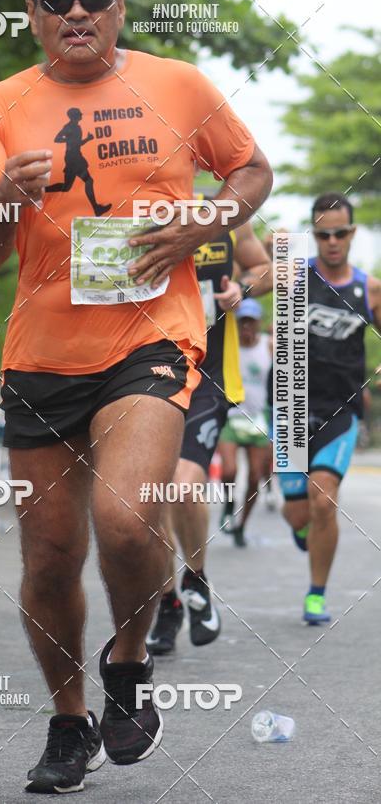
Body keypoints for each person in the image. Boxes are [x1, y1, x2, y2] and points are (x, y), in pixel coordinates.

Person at [0, 0, 272, 794]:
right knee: (49, 558)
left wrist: (206, 222)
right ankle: (70, 721)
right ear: (32, 13)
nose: (76, 13)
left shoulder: (177, 85)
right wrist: (0, 197)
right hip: (40, 354)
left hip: (153, 336)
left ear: (120, 4)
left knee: (129, 519)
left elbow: (252, 171)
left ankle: (129, 658)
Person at [147, 221, 272, 655]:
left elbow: (267, 268)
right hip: (142, 376)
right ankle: (168, 602)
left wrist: (242, 287)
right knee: (148, 498)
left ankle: (195, 578)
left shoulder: (224, 219)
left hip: (207, 381)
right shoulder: (130, 209)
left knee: (182, 486)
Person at [278, 193, 381, 625]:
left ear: (352, 233)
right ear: (314, 235)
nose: (333, 241)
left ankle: (316, 594)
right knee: (297, 510)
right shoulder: (296, 277)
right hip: (290, 406)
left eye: (340, 232)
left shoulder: (369, 288)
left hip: (340, 409)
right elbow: (250, 285)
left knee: (324, 502)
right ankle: (303, 530)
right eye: (323, 234)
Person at [218, 298, 273, 547]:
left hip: (258, 420)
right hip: (231, 417)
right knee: (229, 471)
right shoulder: (227, 346)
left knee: (255, 478)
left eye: (251, 322)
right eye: (242, 322)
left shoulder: (269, 346)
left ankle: (241, 525)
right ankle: (229, 502)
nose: (246, 327)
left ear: (259, 322)